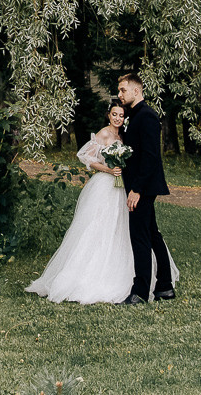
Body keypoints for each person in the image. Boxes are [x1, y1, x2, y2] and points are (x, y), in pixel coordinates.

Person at [24, 104, 136, 304]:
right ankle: (83, 273)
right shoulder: (104, 134)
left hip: (120, 187)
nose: (118, 118)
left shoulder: (123, 137)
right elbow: (86, 157)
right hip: (105, 184)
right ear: (108, 115)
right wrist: (109, 170)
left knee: (118, 225)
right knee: (97, 225)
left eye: (121, 115)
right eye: (114, 114)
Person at [115, 73, 174, 304]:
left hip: (144, 187)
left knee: (140, 237)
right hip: (141, 185)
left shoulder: (147, 116)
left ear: (136, 91)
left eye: (122, 90)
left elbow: (150, 156)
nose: (120, 95)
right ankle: (165, 286)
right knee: (152, 234)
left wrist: (137, 189)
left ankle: (140, 292)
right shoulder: (134, 115)